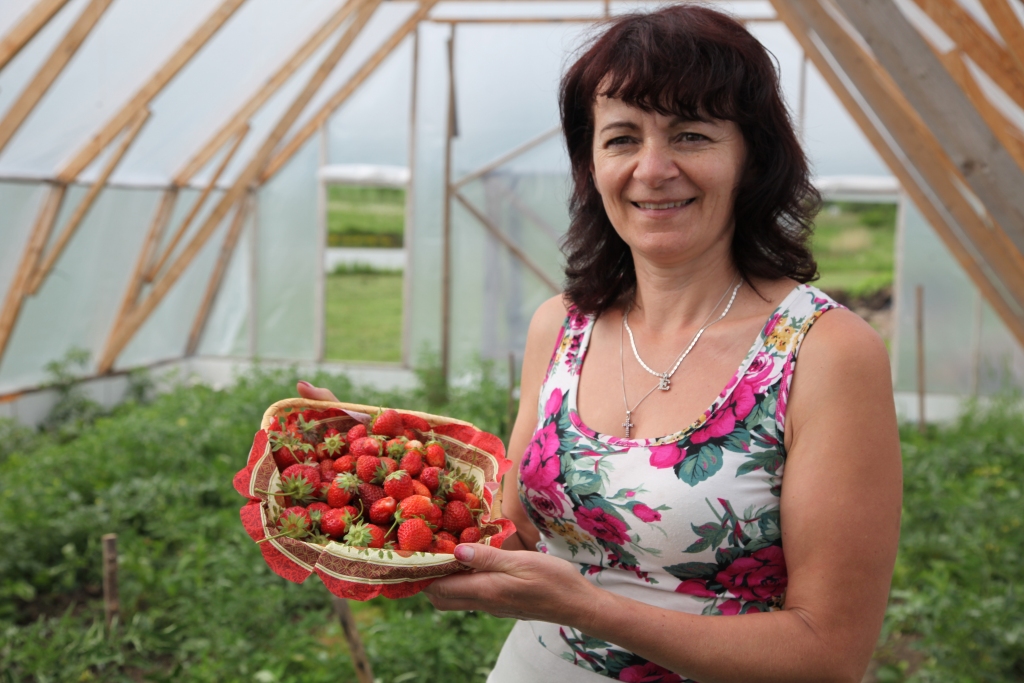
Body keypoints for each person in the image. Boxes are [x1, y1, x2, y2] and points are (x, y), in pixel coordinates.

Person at [299, 5, 902, 681]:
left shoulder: (821, 351)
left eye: (691, 134)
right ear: (591, 163)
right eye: (621, 138)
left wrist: (591, 608)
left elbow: (830, 653)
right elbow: (516, 532)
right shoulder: (561, 325)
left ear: (752, 156)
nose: (652, 168)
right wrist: (383, 454)